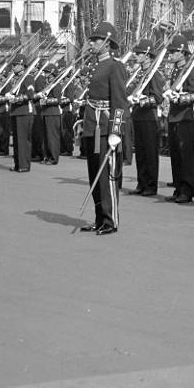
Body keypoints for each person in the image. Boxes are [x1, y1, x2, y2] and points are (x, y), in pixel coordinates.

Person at [79, 22, 130, 235]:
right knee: (94, 174)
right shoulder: (94, 65)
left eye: (96, 40)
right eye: (92, 39)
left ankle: (110, 220)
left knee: (106, 176)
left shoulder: (115, 66)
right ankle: (99, 218)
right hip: (93, 125)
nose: (92, 43)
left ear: (107, 43)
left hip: (106, 128)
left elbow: (120, 102)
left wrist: (116, 132)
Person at [164, 34, 194, 204]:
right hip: (174, 116)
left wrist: (178, 98)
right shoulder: (176, 70)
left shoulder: (191, 70)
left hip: (186, 117)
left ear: (182, 52)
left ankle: (187, 189)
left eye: (173, 51)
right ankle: (179, 186)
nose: (170, 55)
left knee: (186, 155)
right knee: (176, 155)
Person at [128, 39, 165, 196]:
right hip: (137, 116)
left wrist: (141, 101)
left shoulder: (154, 74)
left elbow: (157, 98)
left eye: (140, 53)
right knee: (141, 152)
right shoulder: (139, 74)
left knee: (150, 153)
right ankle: (141, 182)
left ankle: (151, 185)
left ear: (148, 56)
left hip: (149, 117)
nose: (136, 56)